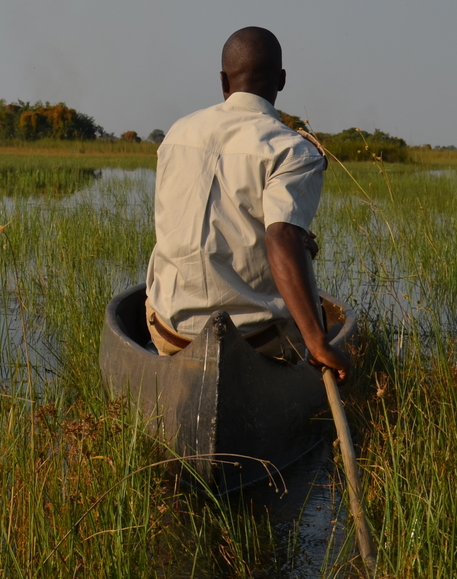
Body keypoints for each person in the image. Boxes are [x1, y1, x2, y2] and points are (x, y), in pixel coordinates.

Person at [144, 26, 351, 383]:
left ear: (224, 82)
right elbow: (281, 236)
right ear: (282, 80)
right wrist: (317, 342)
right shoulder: (293, 150)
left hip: (171, 332)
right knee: (302, 299)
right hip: (257, 342)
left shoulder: (178, 134)